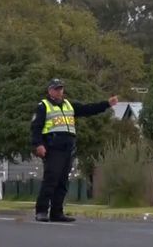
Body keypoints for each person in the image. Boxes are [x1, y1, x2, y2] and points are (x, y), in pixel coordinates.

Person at [31, 78, 118, 222]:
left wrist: (107, 104)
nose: (59, 91)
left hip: (68, 149)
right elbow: (36, 127)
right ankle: (41, 211)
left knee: (62, 182)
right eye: (56, 89)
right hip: (53, 148)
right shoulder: (43, 106)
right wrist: (38, 145)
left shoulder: (68, 105)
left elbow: (88, 109)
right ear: (50, 90)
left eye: (61, 88)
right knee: (51, 180)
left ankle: (57, 212)